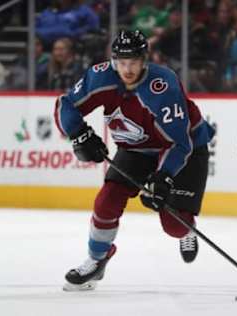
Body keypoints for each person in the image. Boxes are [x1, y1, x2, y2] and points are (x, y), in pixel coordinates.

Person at [54, 29, 215, 291]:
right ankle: (97, 260)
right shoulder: (100, 76)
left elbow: (179, 143)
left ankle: (187, 231)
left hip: (184, 148)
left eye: (134, 62)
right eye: (122, 62)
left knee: (174, 225)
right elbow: (66, 105)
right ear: (114, 60)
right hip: (137, 149)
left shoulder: (163, 85)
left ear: (145, 59)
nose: (127, 69)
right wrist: (78, 133)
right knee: (106, 201)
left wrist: (163, 177)